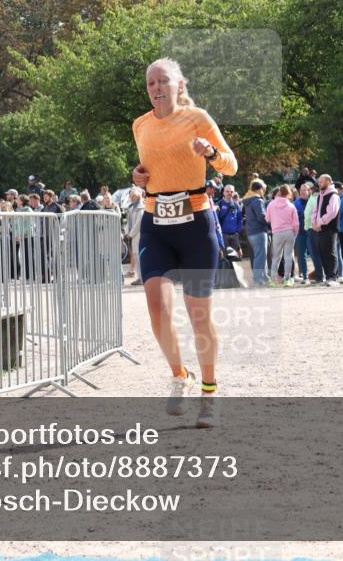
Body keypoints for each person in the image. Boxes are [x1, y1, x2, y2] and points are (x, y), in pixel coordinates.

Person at [131, 57, 238, 428]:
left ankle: (210, 392)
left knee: (198, 315)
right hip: (155, 222)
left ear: (179, 85)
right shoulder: (140, 125)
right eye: (151, 84)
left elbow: (231, 165)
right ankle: (180, 375)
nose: (157, 89)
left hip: (195, 222)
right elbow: (148, 171)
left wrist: (209, 153)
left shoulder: (198, 119)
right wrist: (138, 178)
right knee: (157, 309)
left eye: (163, 82)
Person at [266, 185, 299, 287]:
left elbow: (267, 219)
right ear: (288, 193)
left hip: (277, 232)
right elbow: (296, 223)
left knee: (276, 257)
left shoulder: (271, 204)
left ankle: (273, 280)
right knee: (288, 256)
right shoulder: (291, 206)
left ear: (279, 192)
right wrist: (295, 233)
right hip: (289, 232)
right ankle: (287, 280)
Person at [312, 174, 341, 286]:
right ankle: (328, 277)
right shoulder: (320, 195)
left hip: (330, 229)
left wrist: (319, 223)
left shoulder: (333, 196)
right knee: (323, 252)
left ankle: (333, 278)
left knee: (330, 253)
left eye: (321, 182)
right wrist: (314, 223)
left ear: (329, 181)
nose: (319, 184)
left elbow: (331, 213)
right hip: (320, 228)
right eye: (319, 182)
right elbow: (316, 210)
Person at [243, 180, 271, 286]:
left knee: (259, 256)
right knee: (260, 256)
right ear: (259, 190)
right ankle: (258, 279)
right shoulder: (258, 201)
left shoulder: (248, 201)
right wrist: (269, 221)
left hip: (251, 232)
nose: (263, 192)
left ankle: (264, 277)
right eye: (263, 190)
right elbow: (261, 217)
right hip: (259, 231)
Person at [292, 184, 311, 283]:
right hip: (300, 232)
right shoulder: (295, 203)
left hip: (312, 231)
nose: (303, 192)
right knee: (301, 255)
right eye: (301, 190)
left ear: (309, 191)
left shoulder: (313, 202)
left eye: (305, 190)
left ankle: (319, 275)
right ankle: (305, 276)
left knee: (315, 253)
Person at [216, 185, 243, 255]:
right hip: (223, 236)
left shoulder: (236, 205)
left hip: (234, 236)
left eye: (231, 191)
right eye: (227, 191)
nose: (229, 193)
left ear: (234, 193)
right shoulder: (219, 204)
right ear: (223, 193)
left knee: (235, 259)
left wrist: (237, 231)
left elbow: (240, 219)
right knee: (224, 259)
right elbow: (216, 221)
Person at [126, 188, 145, 285]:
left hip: (139, 236)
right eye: (130, 196)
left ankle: (142, 278)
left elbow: (139, 223)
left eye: (133, 196)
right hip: (134, 237)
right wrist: (127, 232)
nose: (131, 198)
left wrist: (130, 234)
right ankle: (140, 277)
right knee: (137, 258)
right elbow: (128, 222)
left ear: (138, 196)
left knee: (140, 258)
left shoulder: (141, 208)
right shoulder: (131, 207)